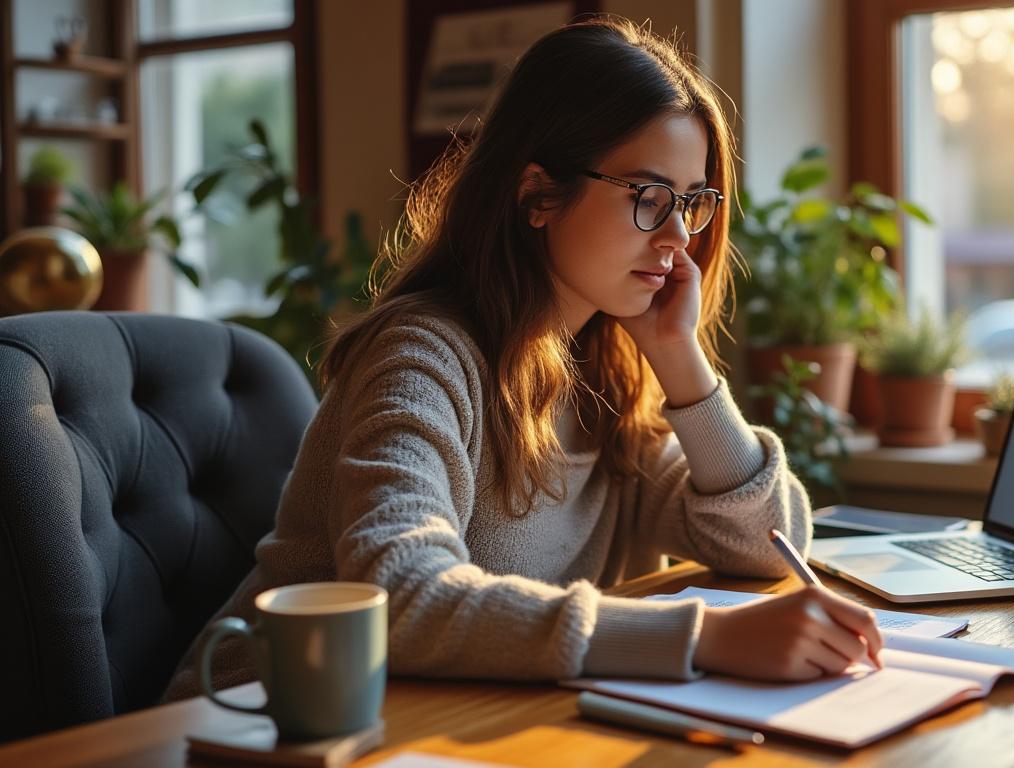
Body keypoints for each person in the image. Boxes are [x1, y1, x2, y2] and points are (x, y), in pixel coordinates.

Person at [165, 15, 881, 701]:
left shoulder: (604, 372)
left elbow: (768, 545)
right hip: (262, 717)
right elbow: (401, 594)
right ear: (538, 194)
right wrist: (703, 638)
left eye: (692, 202)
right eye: (648, 197)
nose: (678, 238)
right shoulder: (421, 355)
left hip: (450, 719)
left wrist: (680, 358)